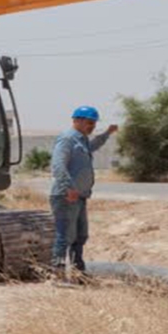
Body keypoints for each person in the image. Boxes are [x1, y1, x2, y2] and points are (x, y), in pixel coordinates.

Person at [48, 105, 118, 275]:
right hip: (66, 196)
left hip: (79, 196)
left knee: (80, 236)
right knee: (65, 236)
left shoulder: (82, 139)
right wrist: (69, 188)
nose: (92, 126)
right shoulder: (67, 139)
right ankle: (56, 274)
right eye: (89, 122)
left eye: (94, 123)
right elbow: (58, 166)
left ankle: (78, 272)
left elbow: (93, 145)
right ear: (77, 121)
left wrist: (107, 133)